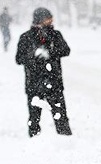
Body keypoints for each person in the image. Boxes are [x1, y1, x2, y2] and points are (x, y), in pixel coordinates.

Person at [16, 7, 72, 137]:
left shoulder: (55, 35)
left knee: (61, 117)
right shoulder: (26, 37)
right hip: (34, 84)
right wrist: (33, 55)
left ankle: (66, 142)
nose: (51, 21)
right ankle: (35, 143)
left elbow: (66, 50)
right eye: (48, 18)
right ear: (39, 19)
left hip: (54, 83)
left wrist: (49, 53)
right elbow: (19, 58)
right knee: (34, 118)